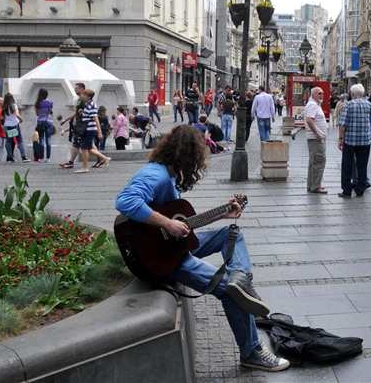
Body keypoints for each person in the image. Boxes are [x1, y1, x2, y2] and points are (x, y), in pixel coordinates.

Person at [114, 125, 289, 372]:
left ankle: (241, 280)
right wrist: (167, 223)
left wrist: (221, 215)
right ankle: (252, 352)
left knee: (232, 235)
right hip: (159, 258)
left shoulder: (168, 175)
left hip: (171, 247)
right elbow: (124, 201)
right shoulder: (156, 175)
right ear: (187, 154)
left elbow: (183, 225)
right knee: (229, 292)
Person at [338, 84, 371, 198]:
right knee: (362, 165)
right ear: (363, 94)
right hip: (365, 140)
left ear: (352, 94)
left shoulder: (349, 105)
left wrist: (340, 138)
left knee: (347, 165)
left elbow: (343, 124)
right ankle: (360, 189)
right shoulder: (368, 104)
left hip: (350, 140)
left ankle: (346, 191)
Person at [77, 89, 110, 173]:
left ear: (89, 96)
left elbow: (96, 119)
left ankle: (85, 167)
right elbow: (89, 116)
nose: (83, 96)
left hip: (89, 129)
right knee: (87, 148)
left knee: (85, 148)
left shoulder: (91, 105)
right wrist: (82, 113)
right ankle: (104, 158)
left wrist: (99, 132)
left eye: (84, 95)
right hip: (88, 129)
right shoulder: (87, 105)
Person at [305, 87, 328, 194]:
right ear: (313, 94)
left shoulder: (314, 104)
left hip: (316, 138)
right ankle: (315, 186)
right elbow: (309, 119)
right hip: (316, 139)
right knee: (319, 160)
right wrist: (318, 134)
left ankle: (312, 185)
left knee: (314, 161)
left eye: (323, 93)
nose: (322, 95)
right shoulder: (313, 105)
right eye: (319, 93)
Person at [59, 82, 87, 168]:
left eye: (76, 88)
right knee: (87, 144)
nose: (75, 90)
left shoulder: (83, 99)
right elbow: (75, 112)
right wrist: (66, 119)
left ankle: (71, 162)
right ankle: (101, 159)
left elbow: (87, 111)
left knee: (77, 144)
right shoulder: (79, 99)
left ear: (82, 89)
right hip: (80, 125)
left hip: (82, 125)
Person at [2, 93, 30, 163]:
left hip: (7, 125)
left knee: (8, 141)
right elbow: (17, 114)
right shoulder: (14, 105)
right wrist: (21, 120)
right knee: (20, 140)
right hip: (15, 124)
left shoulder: (4, 106)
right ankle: (23, 157)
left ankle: (10, 157)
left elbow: (2, 117)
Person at [35, 88, 54, 163]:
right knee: (48, 139)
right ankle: (48, 157)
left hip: (40, 121)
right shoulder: (50, 102)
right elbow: (51, 112)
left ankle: (42, 157)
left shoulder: (37, 103)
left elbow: (37, 114)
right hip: (49, 121)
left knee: (41, 140)